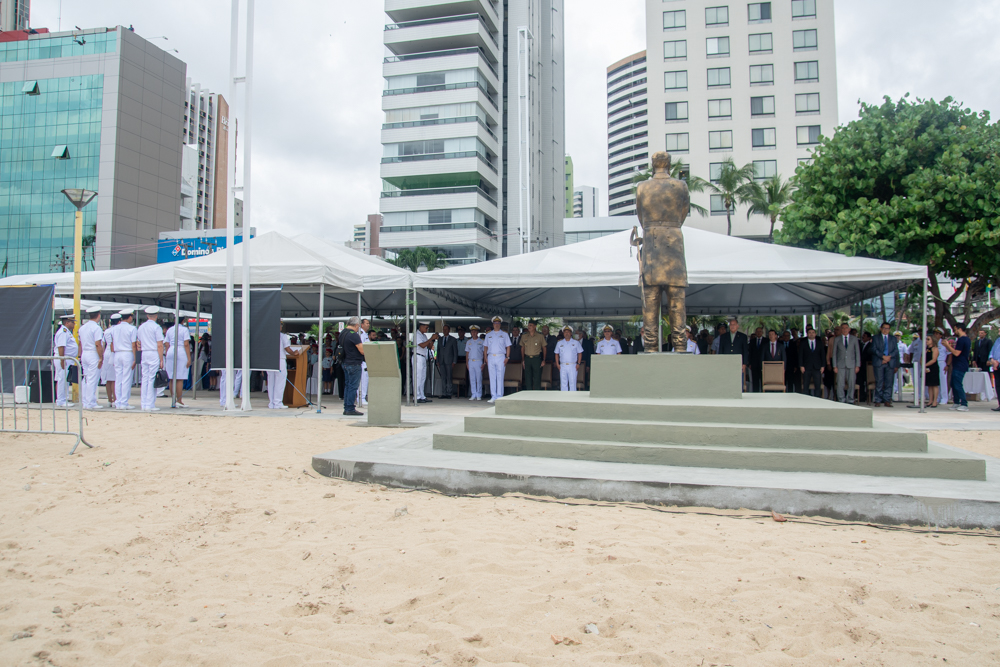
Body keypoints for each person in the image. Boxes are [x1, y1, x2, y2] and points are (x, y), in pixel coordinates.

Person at [135, 306, 165, 412]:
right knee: (152, 378)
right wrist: (161, 359)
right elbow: (160, 345)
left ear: (147, 316)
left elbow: (138, 343)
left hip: (144, 352)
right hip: (153, 352)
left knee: (145, 378)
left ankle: (144, 403)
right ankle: (150, 404)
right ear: (156, 316)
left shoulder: (141, 327)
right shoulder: (157, 327)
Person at [76, 306, 105, 410]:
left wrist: (79, 355)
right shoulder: (96, 328)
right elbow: (98, 344)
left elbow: (80, 343)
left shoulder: (82, 327)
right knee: (93, 379)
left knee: (86, 378)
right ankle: (90, 402)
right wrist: (101, 357)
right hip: (93, 354)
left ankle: (85, 401)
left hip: (85, 353)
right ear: (98, 315)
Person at [339, 316, 365, 416]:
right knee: (353, 387)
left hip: (345, 362)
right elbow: (362, 350)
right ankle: (350, 408)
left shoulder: (343, 333)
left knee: (348, 386)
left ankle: (347, 407)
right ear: (357, 325)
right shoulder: (353, 335)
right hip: (354, 363)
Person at [942, 324, 971, 412]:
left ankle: (964, 403)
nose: (954, 331)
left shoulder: (962, 340)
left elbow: (956, 353)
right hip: (958, 364)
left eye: (955, 329)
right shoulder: (965, 339)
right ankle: (956, 402)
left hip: (960, 364)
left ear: (960, 329)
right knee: (953, 383)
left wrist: (948, 346)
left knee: (957, 384)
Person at [164, 316, 191, 407]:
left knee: (171, 377)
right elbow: (186, 344)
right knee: (179, 377)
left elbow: (166, 343)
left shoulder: (170, 330)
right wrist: (189, 358)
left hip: (171, 350)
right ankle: (179, 401)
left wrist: (167, 354)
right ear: (183, 321)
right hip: (181, 350)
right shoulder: (184, 329)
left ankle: (173, 400)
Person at [52, 313, 78, 407]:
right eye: (72, 322)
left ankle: (64, 399)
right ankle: (61, 400)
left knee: (65, 380)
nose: (74, 324)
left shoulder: (66, 332)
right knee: (62, 379)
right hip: (63, 358)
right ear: (67, 323)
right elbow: (61, 347)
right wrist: (62, 359)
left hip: (66, 358)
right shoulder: (63, 332)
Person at [871, 322, 900, 407]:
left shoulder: (893, 338)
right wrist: (882, 357)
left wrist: (888, 357)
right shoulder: (875, 338)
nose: (885, 330)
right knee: (879, 381)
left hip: (890, 362)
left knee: (889, 382)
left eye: (887, 328)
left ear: (889, 330)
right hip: (879, 362)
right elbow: (873, 349)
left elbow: (896, 350)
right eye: (884, 328)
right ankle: (878, 400)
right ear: (881, 328)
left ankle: (887, 400)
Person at [267, 322, 295, 410]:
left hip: (270, 360)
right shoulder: (282, 336)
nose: (281, 327)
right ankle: (277, 403)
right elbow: (287, 349)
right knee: (280, 382)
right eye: (280, 325)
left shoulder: (268, 336)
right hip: (280, 359)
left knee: (271, 382)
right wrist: (294, 353)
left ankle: (271, 403)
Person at [483, 316, 511, 403]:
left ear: (500, 324)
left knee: (500, 377)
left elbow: (508, 346)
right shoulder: (488, 335)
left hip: (501, 356)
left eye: (498, 323)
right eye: (495, 323)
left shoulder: (504, 334)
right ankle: (493, 396)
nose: (497, 324)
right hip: (491, 356)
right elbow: (485, 347)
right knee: (492, 377)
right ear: (493, 324)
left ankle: (499, 396)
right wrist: (485, 358)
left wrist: (507, 357)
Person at [831, 324, 861, 404]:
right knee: (840, 383)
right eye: (843, 328)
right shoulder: (837, 339)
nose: (844, 329)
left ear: (849, 329)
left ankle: (850, 399)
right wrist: (834, 366)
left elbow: (857, 352)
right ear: (841, 329)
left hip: (851, 364)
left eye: (846, 328)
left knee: (851, 382)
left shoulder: (854, 339)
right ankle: (841, 399)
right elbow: (834, 353)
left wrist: (857, 365)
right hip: (840, 364)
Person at [718, 318, 749, 386]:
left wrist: (744, 364)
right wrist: (721, 362)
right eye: (731, 324)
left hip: (738, 363)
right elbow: (721, 350)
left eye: (734, 324)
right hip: (726, 362)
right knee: (726, 381)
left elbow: (745, 351)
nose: (732, 326)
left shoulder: (743, 336)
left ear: (737, 326)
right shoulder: (723, 336)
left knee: (738, 382)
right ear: (729, 326)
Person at [413, 321, 438, 404]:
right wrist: (431, 338)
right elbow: (422, 345)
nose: (427, 329)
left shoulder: (424, 335)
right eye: (426, 328)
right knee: (418, 377)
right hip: (417, 356)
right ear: (421, 326)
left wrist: (433, 339)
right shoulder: (417, 334)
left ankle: (422, 396)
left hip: (423, 357)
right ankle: (416, 396)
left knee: (423, 378)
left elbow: (429, 346)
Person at [553, 326, 584, 391]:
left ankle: (573, 396)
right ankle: (564, 396)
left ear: (571, 333)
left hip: (572, 365)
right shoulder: (559, 343)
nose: (566, 333)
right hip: (563, 365)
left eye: (568, 332)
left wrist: (578, 363)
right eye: (565, 332)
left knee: (572, 383)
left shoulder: (576, 342)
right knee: (563, 383)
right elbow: (556, 354)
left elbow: (580, 353)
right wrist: (557, 364)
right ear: (563, 333)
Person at [799, 327, 826, 398]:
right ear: (807, 334)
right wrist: (801, 366)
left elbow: (823, 355)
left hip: (817, 367)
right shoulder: (803, 343)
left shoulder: (819, 343)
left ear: (815, 334)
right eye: (809, 333)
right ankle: (806, 399)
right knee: (806, 385)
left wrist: (823, 366)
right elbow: (800, 355)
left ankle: (817, 399)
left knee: (817, 385)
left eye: (813, 333)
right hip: (806, 367)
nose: (811, 334)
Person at [520, 320, 546, 391]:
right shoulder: (524, 336)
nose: (529, 327)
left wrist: (544, 360)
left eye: (531, 325)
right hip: (527, 358)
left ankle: (537, 394)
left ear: (535, 326)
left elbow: (544, 348)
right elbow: (522, 348)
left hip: (536, 359)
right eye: (528, 325)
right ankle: (529, 393)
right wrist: (523, 360)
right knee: (528, 378)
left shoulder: (540, 336)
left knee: (537, 377)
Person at [101, 313, 120, 405]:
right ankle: (115, 400)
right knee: (114, 379)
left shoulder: (107, 331)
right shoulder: (117, 330)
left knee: (108, 379)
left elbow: (103, 343)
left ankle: (110, 400)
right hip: (114, 352)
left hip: (107, 352)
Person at [436, 323, 458, 399]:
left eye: (446, 329)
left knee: (449, 377)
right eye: (443, 329)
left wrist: (454, 361)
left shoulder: (453, 339)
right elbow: (438, 350)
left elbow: (455, 351)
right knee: (443, 377)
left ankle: (449, 393)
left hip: (449, 361)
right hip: (441, 361)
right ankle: (443, 393)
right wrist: (437, 360)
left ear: (449, 330)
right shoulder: (440, 339)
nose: (444, 331)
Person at [466, 324, 484, 400]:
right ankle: (473, 394)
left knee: (478, 378)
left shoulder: (481, 341)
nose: (473, 333)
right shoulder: (468, 342)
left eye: (475, 331)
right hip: (471, 361)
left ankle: (479, 394)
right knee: (472, 378)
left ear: (477, 332)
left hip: (478, 361)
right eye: (472, 331)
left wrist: (484, 363)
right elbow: (467, 353)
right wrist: (467, 363)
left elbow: (484, 352)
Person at [932, 329, 950, 404]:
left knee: (943, 381)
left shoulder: (944, 343)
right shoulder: (932, 343)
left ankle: (944, 398)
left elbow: (949, 354)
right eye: (934, 333)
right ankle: (937, 397)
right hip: (934, 363)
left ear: (940, 335)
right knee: (936, 381)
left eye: (937, 334)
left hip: (942, 362)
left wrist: (947, 365)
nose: (935, 335)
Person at [924, 336, 941, 408]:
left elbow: (934, 359)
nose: (926, 341)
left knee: (934, 384)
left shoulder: (935, 348)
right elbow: (922, 358)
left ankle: (935, 401)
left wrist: (925, 365)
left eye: (928, 339)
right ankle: (930, 400)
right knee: (929, 385)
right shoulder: (926, 349)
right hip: (926, 367)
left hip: (933, 368)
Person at [359, 319, 372, 406]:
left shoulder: (365, 334)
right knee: (363, 380)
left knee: (366, 379)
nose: (368, 325)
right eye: (367, 323)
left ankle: (363, 397)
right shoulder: (360, 334)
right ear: (362, 324)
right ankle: (361, 398)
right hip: (362, 359)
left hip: (366, 360)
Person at [748, 326, 765, 392]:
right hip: (754, 364)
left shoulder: (766, 341)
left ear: (762, 332)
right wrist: (750, 363)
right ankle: (755, 393)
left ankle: (763, 393)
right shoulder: (752, 341)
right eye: (757, 331)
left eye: (760, 331)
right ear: (755, 332)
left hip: (763, 364)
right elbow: (750, 353)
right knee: (755, 381)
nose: (758, 333)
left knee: (763, 380)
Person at [988, 335, 1000, 412]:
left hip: (998, 364)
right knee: (998, 385)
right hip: (996, 366)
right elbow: (992, 350)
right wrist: (991, 359)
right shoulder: (998, 339)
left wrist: (998, 361)